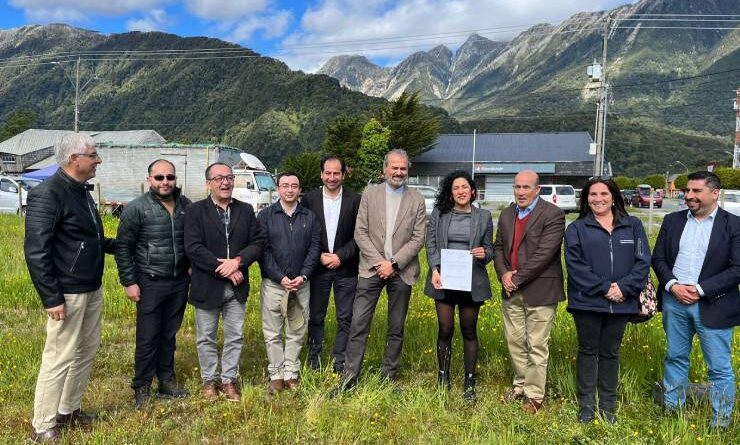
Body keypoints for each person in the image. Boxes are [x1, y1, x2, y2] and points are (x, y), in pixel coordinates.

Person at [24, 133, 116, 443]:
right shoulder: (48, 194)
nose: (98, 160)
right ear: (73, 159)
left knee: (85, 351)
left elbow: (86, 239)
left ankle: (69, 410)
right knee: (59, 356)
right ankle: (43, 425)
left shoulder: (80, 191)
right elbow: (36, 250)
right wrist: (52, 297)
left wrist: (121, 245)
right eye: (93, 155)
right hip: (67, 291)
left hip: (91, 287)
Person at [652, 171, 740, 429]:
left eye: (696, 191)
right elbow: (658, 259)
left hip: (714, 304)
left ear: (715, 193)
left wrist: (700, 289)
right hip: (674, 302)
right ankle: (672, 412)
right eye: (687, 191)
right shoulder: (672, 220)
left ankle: (721, 423)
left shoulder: (734, 225)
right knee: (675, 357)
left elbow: (737, 268)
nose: (689, 196)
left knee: (719, 368)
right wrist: (673, 285)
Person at [336, 149, 426, 392]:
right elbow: (360, 233)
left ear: (407, 171)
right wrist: (380, 263)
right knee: (358, 324)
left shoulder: (416, 199)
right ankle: (350, 377)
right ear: (385, 169)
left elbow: (418, 238)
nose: (399, 172)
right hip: (370, 270)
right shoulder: (370, 194)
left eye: (403, 168)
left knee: (396, 327)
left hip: (402, 271)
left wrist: (394, 264)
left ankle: (389, 376)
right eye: (394, 167)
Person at [564, 178, 650, 423]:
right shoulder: (577, 228)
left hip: (622, 301)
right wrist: (604, 288)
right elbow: (575, 266)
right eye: (592, 194)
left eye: (604, 193)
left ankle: (608, 407)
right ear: (586, 198)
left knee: (611, 352)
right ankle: (587, 406)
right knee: (588, 351)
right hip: (587, 302)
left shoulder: (632, 225)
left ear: (614, 197)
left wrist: (623, 288)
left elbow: (643, 262)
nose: (598, 198)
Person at [115, 159, 191, 409]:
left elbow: (192, 241)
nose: (165, 182)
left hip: (179, 281)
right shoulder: (136, 209)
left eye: (169, 177)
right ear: (150, 180)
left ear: (175, 179)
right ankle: (142, 387)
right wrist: (129, 281)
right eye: (159, 178)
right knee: (148, 337)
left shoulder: (185, 206)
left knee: (169, 335)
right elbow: (123, 248)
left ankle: (166, 381)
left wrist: (191, 264)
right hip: (150, 282)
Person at [184, 162, 263, 402]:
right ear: (208, 183)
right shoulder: (196, 211)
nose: (225, 182)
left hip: (237, 288)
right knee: (206, 336)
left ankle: (229, 379)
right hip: (207, 284)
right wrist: (226, 270)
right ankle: (209, 380)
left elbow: (257, 243)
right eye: (219, 178)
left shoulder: (246, 210)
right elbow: (194, 248)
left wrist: (238, 261)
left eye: (229, 177)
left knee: (235, 335)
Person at [492, 170, 565, 414]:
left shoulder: (553, 214)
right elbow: (499, 247)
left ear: (537, 189)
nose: (521, 192)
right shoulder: (507, 213)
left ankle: (534, 395)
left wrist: (517, 278)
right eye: (517, 187)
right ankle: (520, 386)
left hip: (540, 289)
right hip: (510, 289)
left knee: (536, 344)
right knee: (514, 342)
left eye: (526, 187)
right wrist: (504, 275)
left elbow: (545, 254)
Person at [424, 171, 493, 402]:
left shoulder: (484, 216)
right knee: (445, 328)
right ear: (450, 193)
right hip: (443, 279)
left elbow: (489, 249)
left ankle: (469, 380)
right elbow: (430, 242)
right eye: (456, 188)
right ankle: (443, 377)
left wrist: (485, 254)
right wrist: (434, 268)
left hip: (471, 281)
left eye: (465, 187)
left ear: (472, 191)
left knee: (469, 330)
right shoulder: (439, 214)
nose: (461, 191)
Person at [258, 171, 321, 396]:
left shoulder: (309, 217)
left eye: (294, 185)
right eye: (285, 185)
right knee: (272, 331)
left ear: (299, 189)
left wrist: (303, 275)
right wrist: (280, 277)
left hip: (300, 284)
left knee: (297, 329)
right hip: (275, 285)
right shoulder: (266, 216)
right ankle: (276, 375)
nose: (290, 189)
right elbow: (262, 250)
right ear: (278, 189)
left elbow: (315, 248)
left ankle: (291, 372)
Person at [301, 156, 361, 373]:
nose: (332, 177)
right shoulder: (309, 200)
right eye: (328, 173)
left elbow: (360, 235)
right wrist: (320, 256)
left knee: (345, 317)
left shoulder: (355, 200)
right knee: (316, 316)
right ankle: (314, 358)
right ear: (321, 174)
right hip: (318, 269)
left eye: (336, 173)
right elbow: (305, 234)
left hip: (346, 269)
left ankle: (340, 360)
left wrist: (340, 256)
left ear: (343, 175)